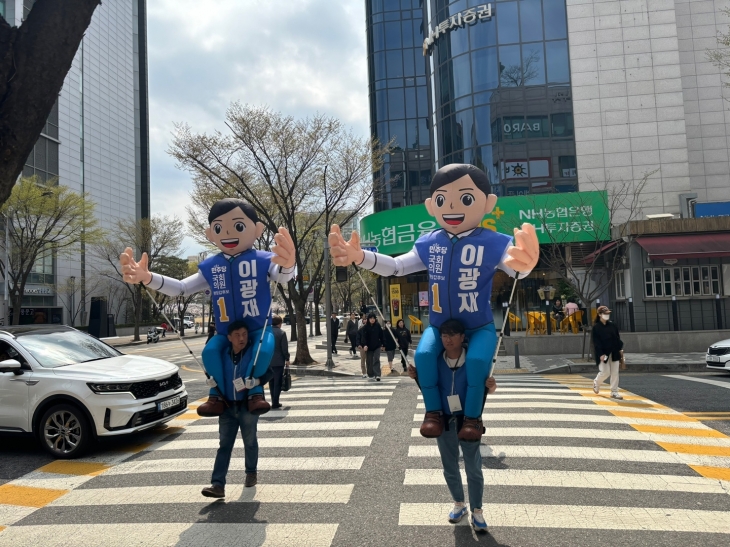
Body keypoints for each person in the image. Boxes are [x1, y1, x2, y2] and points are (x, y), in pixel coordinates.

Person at [329, 163, 538, 441]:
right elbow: (396, 266)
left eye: (466, 198)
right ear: (431, 205)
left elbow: (516, 269)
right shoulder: (429, 242)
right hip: (439, 326)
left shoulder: (494, 242)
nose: (452, 207)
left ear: (488, 203)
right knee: (425, 357)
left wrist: (528, 263)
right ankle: (433, 412)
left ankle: (473, 418)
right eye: (442, 200)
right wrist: (361, 257)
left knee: (476, 361)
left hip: (479, 326)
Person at [120, 198, 297, 415]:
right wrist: (147, 278)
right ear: (210, 234)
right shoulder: (212, 266)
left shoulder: (264, 260)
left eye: (239, 226)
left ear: (257, 230)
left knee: (263, 351)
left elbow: (283, 276)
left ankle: (255, 392)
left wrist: (289, 263)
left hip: (258, 328)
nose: (228, 233)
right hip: (226, 331)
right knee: (210, 352)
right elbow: (181, 288)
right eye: (219, 228)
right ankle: (217, 396)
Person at [406, 319, 497, 532]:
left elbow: (488, 389)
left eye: (452, 335)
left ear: (462, 337)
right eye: (444, 336)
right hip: (444, 419)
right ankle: (459, 504)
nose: (447, 340)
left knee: (473, 467)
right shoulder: (436, 361)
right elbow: (429, 387)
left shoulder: (476, 362)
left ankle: (477, 511)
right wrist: (415, 376)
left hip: (468, 420)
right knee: (449, 465)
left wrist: (492, 386)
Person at [200, 321, 274, 498]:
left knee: (249, 441)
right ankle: (217, 484)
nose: (241, 338)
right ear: (229, 337)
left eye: (244, 334)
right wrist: (211, 381)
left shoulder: (253, 354)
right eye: (237, 335)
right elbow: (216, 374)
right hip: (226, 406)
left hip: (246, 406)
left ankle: (251, 472)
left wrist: (256, 382)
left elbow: (269, 372)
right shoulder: (222, 354)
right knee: (224, 445)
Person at [592, 305, 624, 399]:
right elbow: (596, 342)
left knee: (615, 372)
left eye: (608, 313)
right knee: (605, 372)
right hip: (604, 353)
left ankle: (614, 391)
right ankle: (597, 382)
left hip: (614, 352)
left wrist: (620, 349)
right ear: (599, 314)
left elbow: (617, 338)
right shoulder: (596, 327)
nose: (607, 315)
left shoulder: (613, 325)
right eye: (605, 313)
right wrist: (600, 354)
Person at [268, 315, 290, 409]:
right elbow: (284, 348)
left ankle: (273, 399)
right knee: (278, 382)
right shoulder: (281, 333)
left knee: (271, 381)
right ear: (279, 323)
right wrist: (287, 359)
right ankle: (275, 402)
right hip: (278, 361)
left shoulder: (267, 333)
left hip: (268, 361)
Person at [362, 313, 383, 381]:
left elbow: (381, 335)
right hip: (369, 347)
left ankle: (377, 374)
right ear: (368, 319)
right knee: (369, 360)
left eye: (373, 318)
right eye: (371, 318)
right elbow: (363, 337)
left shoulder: (377, 326)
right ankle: (371, 374)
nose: (372, 320)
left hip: (377, 345)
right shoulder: (366, 327)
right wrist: (364, 345)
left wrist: (383, 344)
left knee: (376, 359)